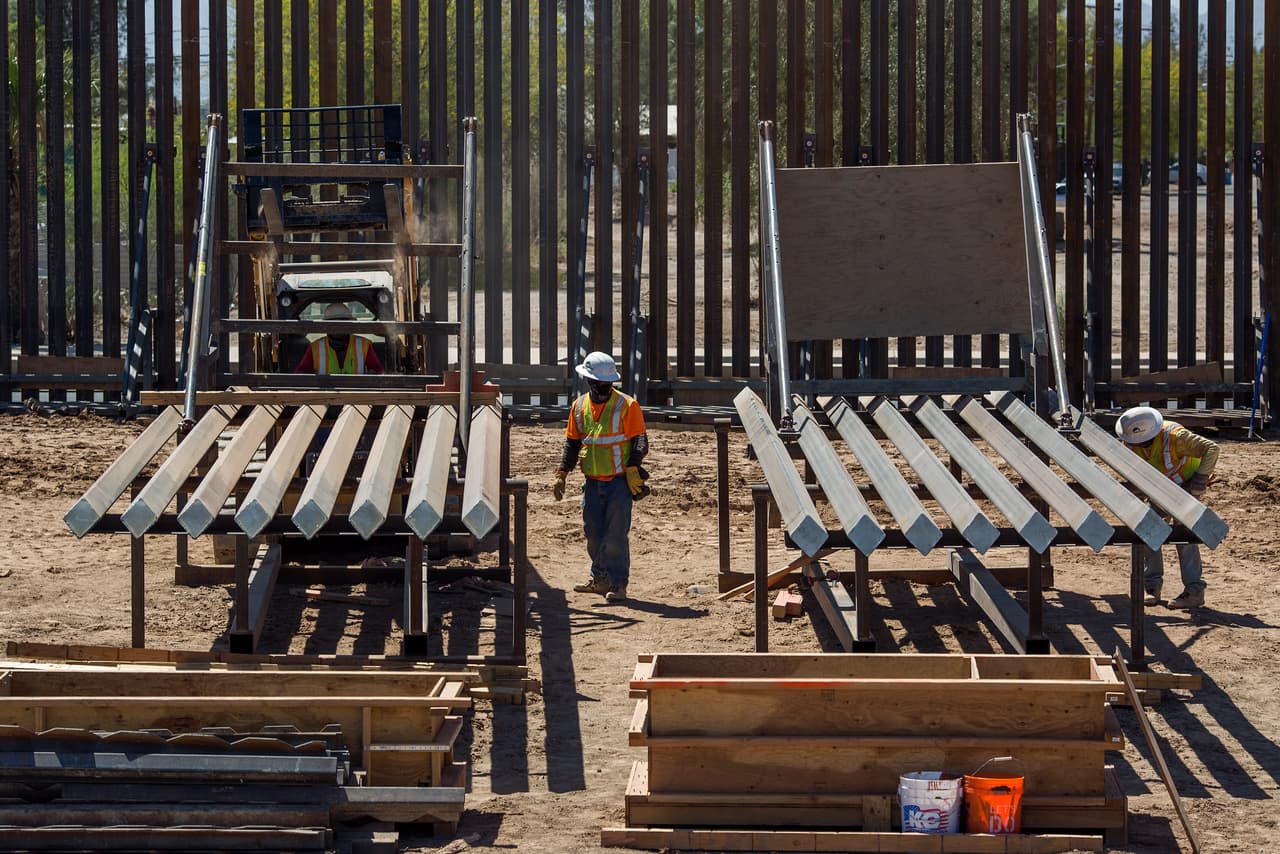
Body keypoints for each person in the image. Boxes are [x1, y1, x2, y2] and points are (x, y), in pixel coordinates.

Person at [553, 352, 649, 602]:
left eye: (607, 385)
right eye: (599, 385)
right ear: (589, 382)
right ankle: (600, 579)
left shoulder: (627, 406)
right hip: (593, 483)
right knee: (593, 533)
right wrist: (563, 471)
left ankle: (618, 585)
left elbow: (640, 440)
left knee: (616, 535)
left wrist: (633, 467)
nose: (603, 389)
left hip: (618, 482)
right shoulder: (579, 407)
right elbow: (572, 443)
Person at [1115, 406, 1219, 610]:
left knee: (1185, 537)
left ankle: (1194, 591)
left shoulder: (1176, 437)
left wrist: (1200, 479)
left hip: (1184, 489)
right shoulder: (1130, 440)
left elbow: (1211, 448)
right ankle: (1151, 585)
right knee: (1148, 529)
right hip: (1160, 489)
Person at [294, 302, 384, 374]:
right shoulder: (315, 348)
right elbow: (301, 373)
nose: (337, 327)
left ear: (349, 325)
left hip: (357, 394)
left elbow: (378, 371)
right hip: (324, 395)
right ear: (326, 326)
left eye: (341, 323)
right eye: (333, 323)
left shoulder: (364, 345)